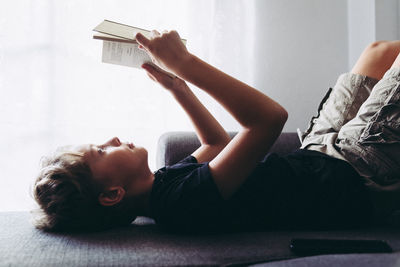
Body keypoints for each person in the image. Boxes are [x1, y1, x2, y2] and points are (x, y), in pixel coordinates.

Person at [32, 30, 400, 233]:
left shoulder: (164, 185)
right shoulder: (181, 204)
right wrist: (187, 64)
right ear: (112, 194)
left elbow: (216, 144)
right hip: (357, 172)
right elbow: (269, 119)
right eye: (100, 151)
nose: (110, 140)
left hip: (321, 155)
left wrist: (178, 87)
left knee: (378, 51)